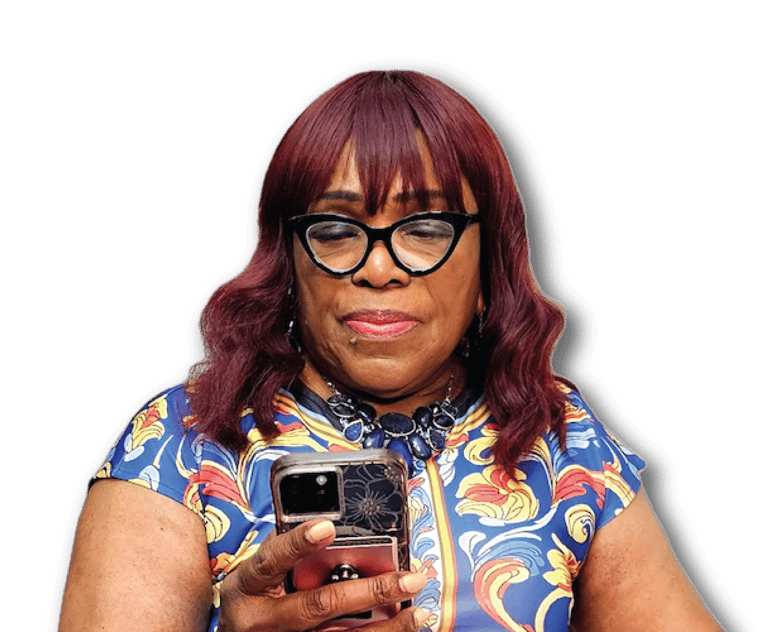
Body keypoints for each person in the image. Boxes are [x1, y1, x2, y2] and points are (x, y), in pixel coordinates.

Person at [59, 66, 725, 631]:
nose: (379, 269)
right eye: (335, 229)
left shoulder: (563, 437)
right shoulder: (179, 444)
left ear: (490, 265)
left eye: (426, 227)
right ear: (287, 263)